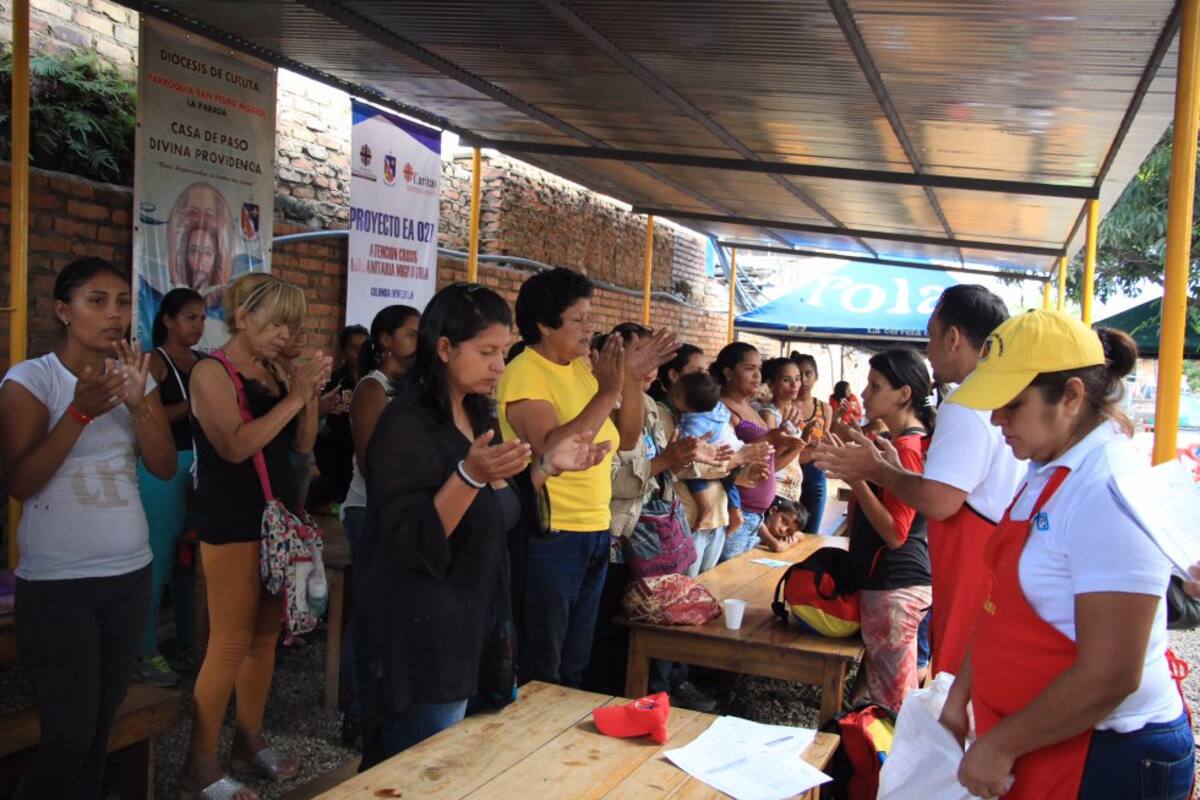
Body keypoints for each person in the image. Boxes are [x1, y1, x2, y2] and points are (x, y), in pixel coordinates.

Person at [937, 312, 1192, 800]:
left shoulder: (1107, 491)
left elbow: (1112, 673)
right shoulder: (1045, 467)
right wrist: (961, 691)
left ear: (1072, 396)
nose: (996, 419)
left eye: (1012, 404)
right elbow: (1001, 606)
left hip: (1108, 753)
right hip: (1045, 738)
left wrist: (1001, 746)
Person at [354, 283, 610, 766]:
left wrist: (549, 465)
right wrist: (469, 475)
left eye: (504, 351)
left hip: (478, 625)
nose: (499, 365)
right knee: (420, 770)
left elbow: (498, 510)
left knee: (465, 766)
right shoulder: (405, 424)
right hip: (425, 636)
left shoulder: (474, 413)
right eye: (487, 352)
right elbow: (411, 542)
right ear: (445, 348)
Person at [0, 257, 176, 799]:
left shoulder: (133, 380)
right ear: (63, 310)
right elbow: (21, 482)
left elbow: (164, 466)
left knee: (100, 730)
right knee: (68, 736)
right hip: (58, 585)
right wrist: (76, 414)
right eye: (96, 301)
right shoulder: (31, 380)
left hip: (127, 574)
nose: (114, 314)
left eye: (122, 302)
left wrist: (139, 405)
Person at [815, 284, 1020, 677]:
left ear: (954, 338)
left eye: (930, 336)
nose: (928, 348)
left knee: (947, 681)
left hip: (963, 565)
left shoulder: (967, 400)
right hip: (989, 558)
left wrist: (872, 470)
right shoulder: (998, 394)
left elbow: (937, 502)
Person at [179, 273, 330, 800]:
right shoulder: (209, 372)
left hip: (277, 520)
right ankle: (198, 763)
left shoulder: (273, 371)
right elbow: (237, 447)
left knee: (265, 639)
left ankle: (247, 740)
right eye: (277, 323)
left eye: (294, 325)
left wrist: (307, 396)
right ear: (241, 315)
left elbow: (302, 444)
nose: (287, 335)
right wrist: (296, 398)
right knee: (228, 642)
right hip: (232, 520)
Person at [498, 267, 677, 687]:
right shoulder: (526, 371)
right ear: (544, 324)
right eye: (577, 319)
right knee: (543, 661)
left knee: (576, 659)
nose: (588, 328)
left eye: (588, 317)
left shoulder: (579, 368)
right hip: (552, 532)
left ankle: (559, 745)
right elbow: (550, 446)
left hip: (595, 529)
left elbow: (626, 436)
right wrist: (607, 391)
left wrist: (629, 381)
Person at [592, 322, 722, 709]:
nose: (649, 366)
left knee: (646, 626)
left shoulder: (648, 406)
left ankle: (654, 695)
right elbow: (614, 479)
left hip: (648, 538)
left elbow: (659, 468)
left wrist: (684, 460)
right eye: (642, 356)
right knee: (611, 638)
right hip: (618, 538)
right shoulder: (603, 403)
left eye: (654, 357)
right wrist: (666, 461)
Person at [338, 303, 420, 744]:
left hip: (403, 512)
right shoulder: (374, 387)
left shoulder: (418, 388)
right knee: (369, 611)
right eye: (410, 334)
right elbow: (371, 463)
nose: (417, 342)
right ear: (385, 341)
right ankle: (355, 708)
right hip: (370, 511)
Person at [836, 350, 934, 711]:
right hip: (894, 583)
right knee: (881, 695)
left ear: (904, 394)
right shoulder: (900, 441)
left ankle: (886, 766)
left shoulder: (907, 446)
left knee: (893, 706)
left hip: (895, 586)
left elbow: (896, 532)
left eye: (875, 386)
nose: (864, 393)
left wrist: (857, 479)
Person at [134, 287, 205, 688]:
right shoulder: (155, 362)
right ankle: (144, 650)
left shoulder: (202, 361)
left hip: (197, 465)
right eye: (189, 318)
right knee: (158, 560)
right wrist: (196, 404)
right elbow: (147, 414)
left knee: (190, 562)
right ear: (167, 320)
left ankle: (188, 638)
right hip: (162, 467)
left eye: (200, 318)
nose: (197, 325)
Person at [712, 343, 805, 562]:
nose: (757, 375)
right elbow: (724, 458)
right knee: (727, 581)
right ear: (728, 372)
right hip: (737, 513)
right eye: (749, 368)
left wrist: (784, 436)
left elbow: (769, 457)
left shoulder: (750, 408)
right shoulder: (722, 409)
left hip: (756, 517)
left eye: (759, 369)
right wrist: (771, 437)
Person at [674, 370, 744, 532]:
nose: (673, 395)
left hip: (723, 455)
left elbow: (687, 444)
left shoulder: (698, 422)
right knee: (729, 483)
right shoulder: (716, 408)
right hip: (734, 449)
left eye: (677, 395)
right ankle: (735, 509)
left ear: (691, 405)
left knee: (694, 474)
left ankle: (705, 508)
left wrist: (678, 428)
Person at [308, 324, 369, 510]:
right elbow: (317, 422)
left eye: (364, 348)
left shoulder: (374, 381)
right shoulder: (333, 382)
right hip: (334, 455)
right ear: (343, 351)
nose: (359, 353)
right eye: (353, 348)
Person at [790, 353, 833, 534]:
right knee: (786, 529)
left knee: (811, 533)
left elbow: (825, 443)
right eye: (800, 376)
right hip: (789, 475)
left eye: (809, 374)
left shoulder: (824, 408)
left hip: (815, 473)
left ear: (817, 376)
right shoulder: (785, 407)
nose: (804, 381)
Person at [759, 357, 811, 504]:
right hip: (776, 492)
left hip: (791, 492)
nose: (795, 385)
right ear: (771, 384)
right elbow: (771, 465)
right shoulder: (768, 415)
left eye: (797, 378)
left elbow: (792, 457)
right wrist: (798, 445)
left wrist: (805, 440)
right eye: (786, 380)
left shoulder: (793, 412)